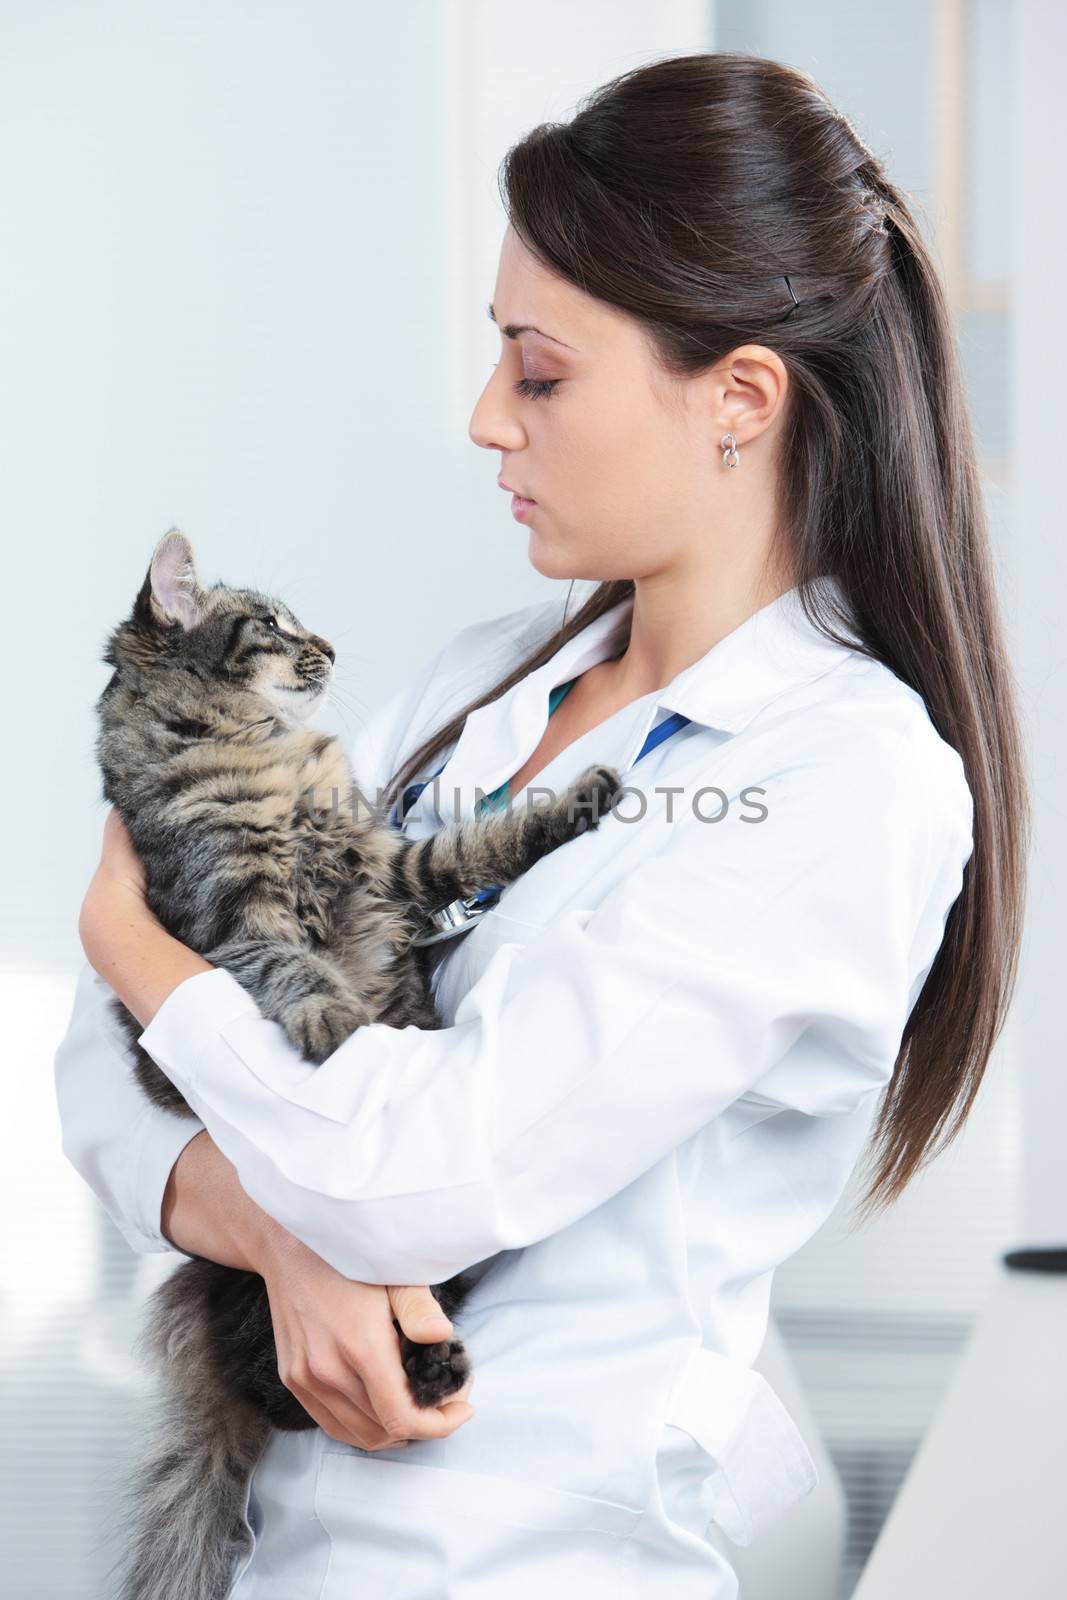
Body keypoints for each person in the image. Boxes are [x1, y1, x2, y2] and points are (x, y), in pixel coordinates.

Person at [55, 51, 1028, 1600]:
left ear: (741, 402)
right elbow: (97, 1085)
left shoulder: (846, 779)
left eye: (540, 370)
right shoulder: (474, 690)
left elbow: (407, 1171)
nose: (484, 418)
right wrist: (272, 1231)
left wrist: (130, 951)